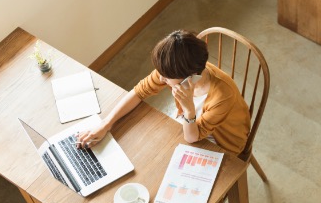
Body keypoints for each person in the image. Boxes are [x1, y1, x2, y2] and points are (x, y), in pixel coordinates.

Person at [77, 30, 250, 155]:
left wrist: (188, 110)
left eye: (166, 77)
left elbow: (192, 137)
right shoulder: (175, 72)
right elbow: (139, 91)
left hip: (224, 143)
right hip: (193, 129)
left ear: (189, 77)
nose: (161, 78)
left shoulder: (223, 96)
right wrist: (106, 124)